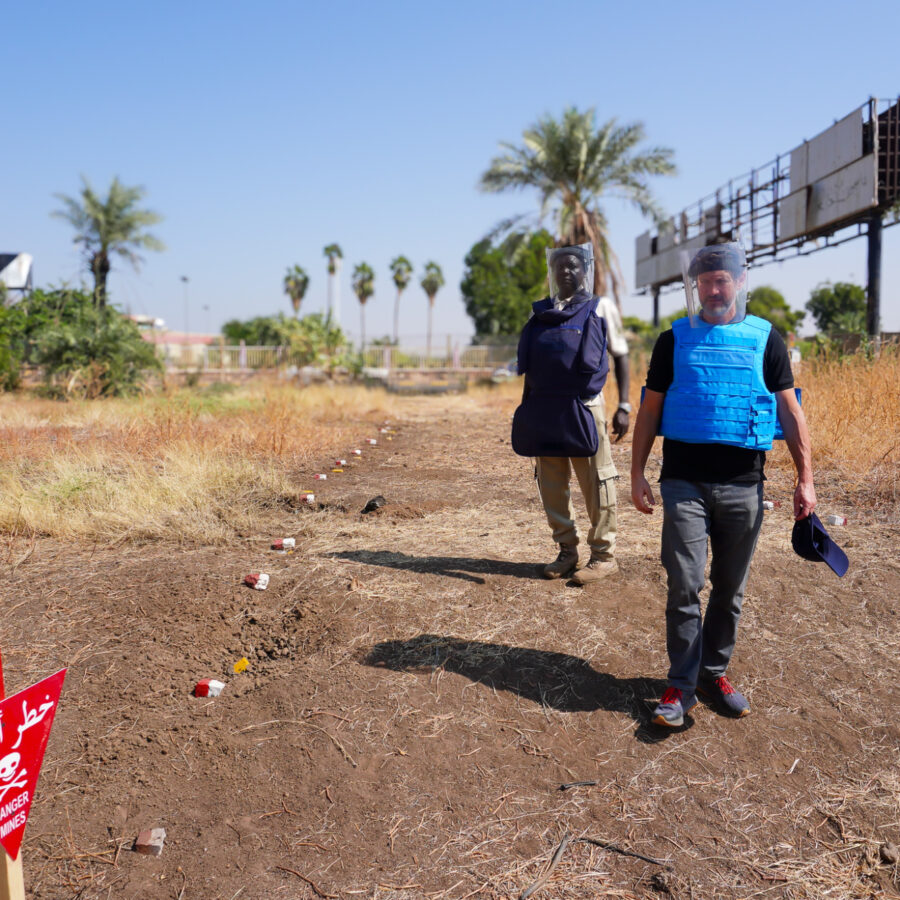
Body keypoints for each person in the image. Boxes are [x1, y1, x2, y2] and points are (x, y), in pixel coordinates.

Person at [630, 242, 815, 727]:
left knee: (729, 588)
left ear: (739, 282)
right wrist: (636, 473)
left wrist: (806, 480)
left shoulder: (766, 339)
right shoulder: (673, 340)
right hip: (684, 483)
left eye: (723, 279)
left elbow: (790, 412)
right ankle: (681, 686)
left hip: (743, 486)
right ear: (695, 287)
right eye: (705, 281)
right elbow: (650, 409)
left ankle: (714, 672)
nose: (714, 289)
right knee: (685, 584)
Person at [512, 243, 630, 586]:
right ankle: (567, 551)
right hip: (545, 407)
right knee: (551, 484)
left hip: (585, 408)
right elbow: (530, 368)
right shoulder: (540, 315)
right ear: (552, 273)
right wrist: (527, 410)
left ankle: (604, 556)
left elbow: (620, 354)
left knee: (597, 481)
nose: (566, 271)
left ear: (585, 271)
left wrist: (624, 405)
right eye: (559, 266)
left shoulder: (601, 306)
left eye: (573, 266)